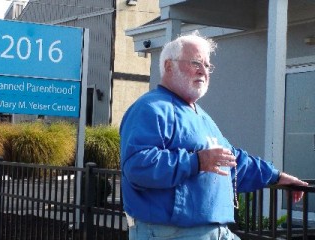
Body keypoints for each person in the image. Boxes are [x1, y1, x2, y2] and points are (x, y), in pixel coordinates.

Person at [119, 31, 308, 240]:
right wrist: (197, 161)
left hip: (216, 232)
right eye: (195, 63)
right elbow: (138, 166)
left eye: (207, 65)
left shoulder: (201, 116)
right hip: (172, 234)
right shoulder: (150, 108)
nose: (203, 71)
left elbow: (232, 161)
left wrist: (276, 177)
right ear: (168, 66)